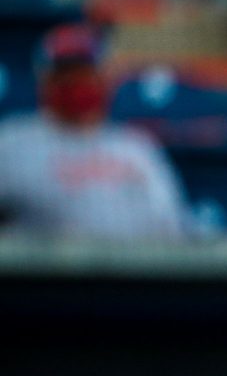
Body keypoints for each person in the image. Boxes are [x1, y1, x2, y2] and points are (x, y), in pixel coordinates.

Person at [0, 22, 187, 240]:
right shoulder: (12, 143)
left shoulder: (136, 146)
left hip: (134, 269)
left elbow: (174, 228)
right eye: (65, 74)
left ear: (104, 79)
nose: (77, 83)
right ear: (45, 81)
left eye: (86, 73)